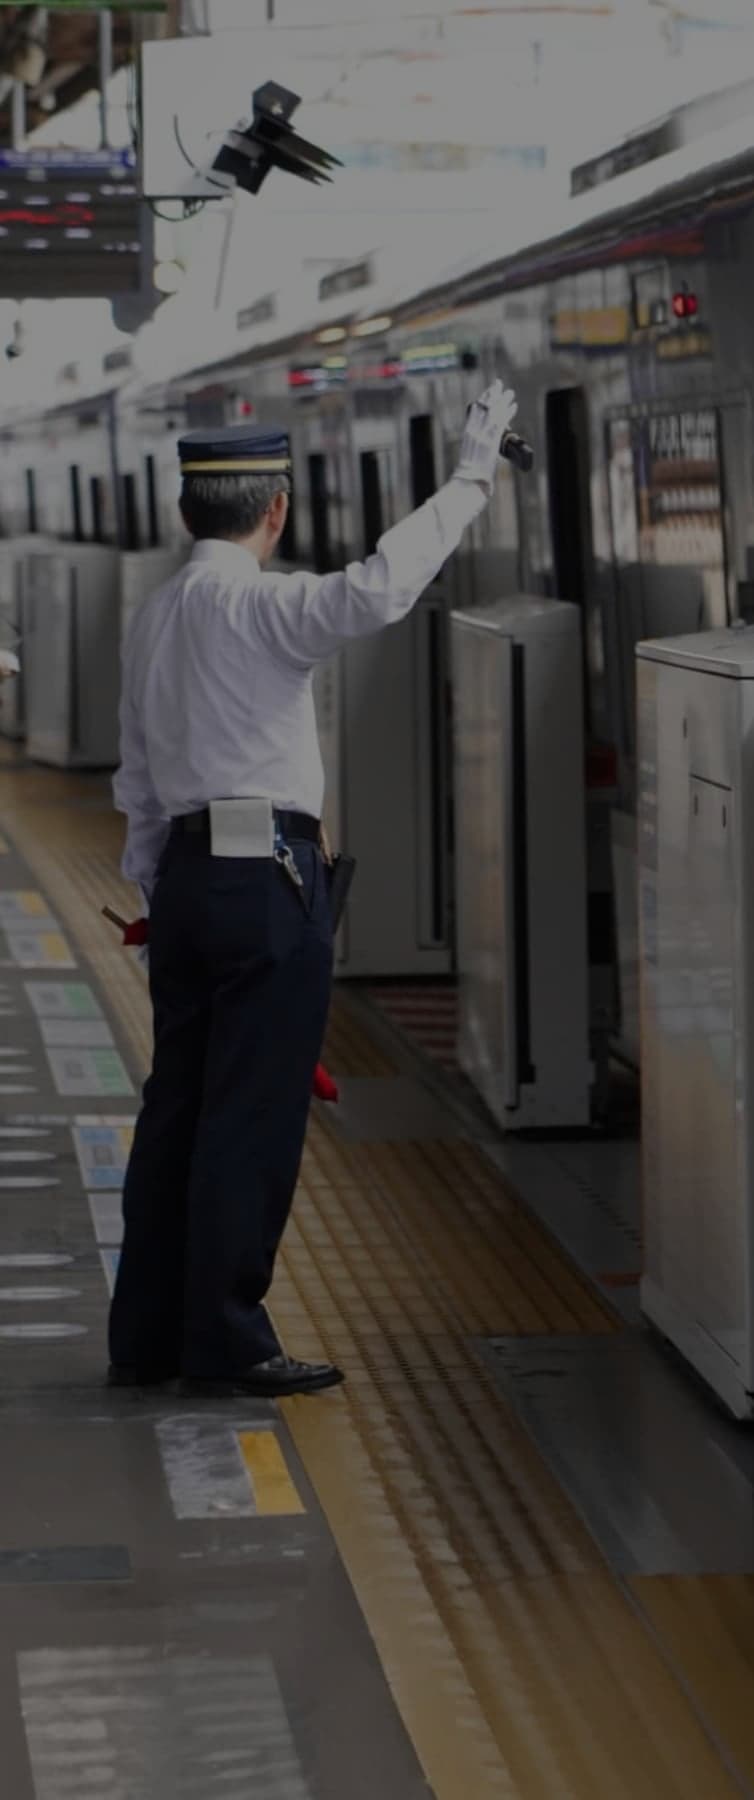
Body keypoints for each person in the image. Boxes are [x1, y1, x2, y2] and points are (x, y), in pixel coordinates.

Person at [110, 378, 518, 1397]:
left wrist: (159, 896)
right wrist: (471, 477)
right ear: (276, 510)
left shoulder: (155, 617)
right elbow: (379, 588)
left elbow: (137, 781)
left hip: (190, 883)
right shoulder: (264, 608)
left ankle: (147, 1337)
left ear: (184, 509)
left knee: (178, 1110)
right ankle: (228, 1343)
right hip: (266, 886)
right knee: (250, 1116)